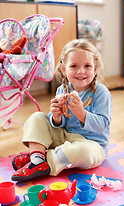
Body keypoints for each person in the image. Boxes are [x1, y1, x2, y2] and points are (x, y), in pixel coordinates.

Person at [11, 38, 112, 182]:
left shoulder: (101, 93)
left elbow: (102, 125)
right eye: (74, 66)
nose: (81, 71)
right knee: (36, 117)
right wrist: (56, 118)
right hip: (64, 138)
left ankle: (41, 159)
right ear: (64, 70)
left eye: (87, 66)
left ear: (95, 69)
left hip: (91, 144)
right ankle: (39, 159)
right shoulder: (62, 89)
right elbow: (57, 124)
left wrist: (81, 113)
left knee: (82, 152)